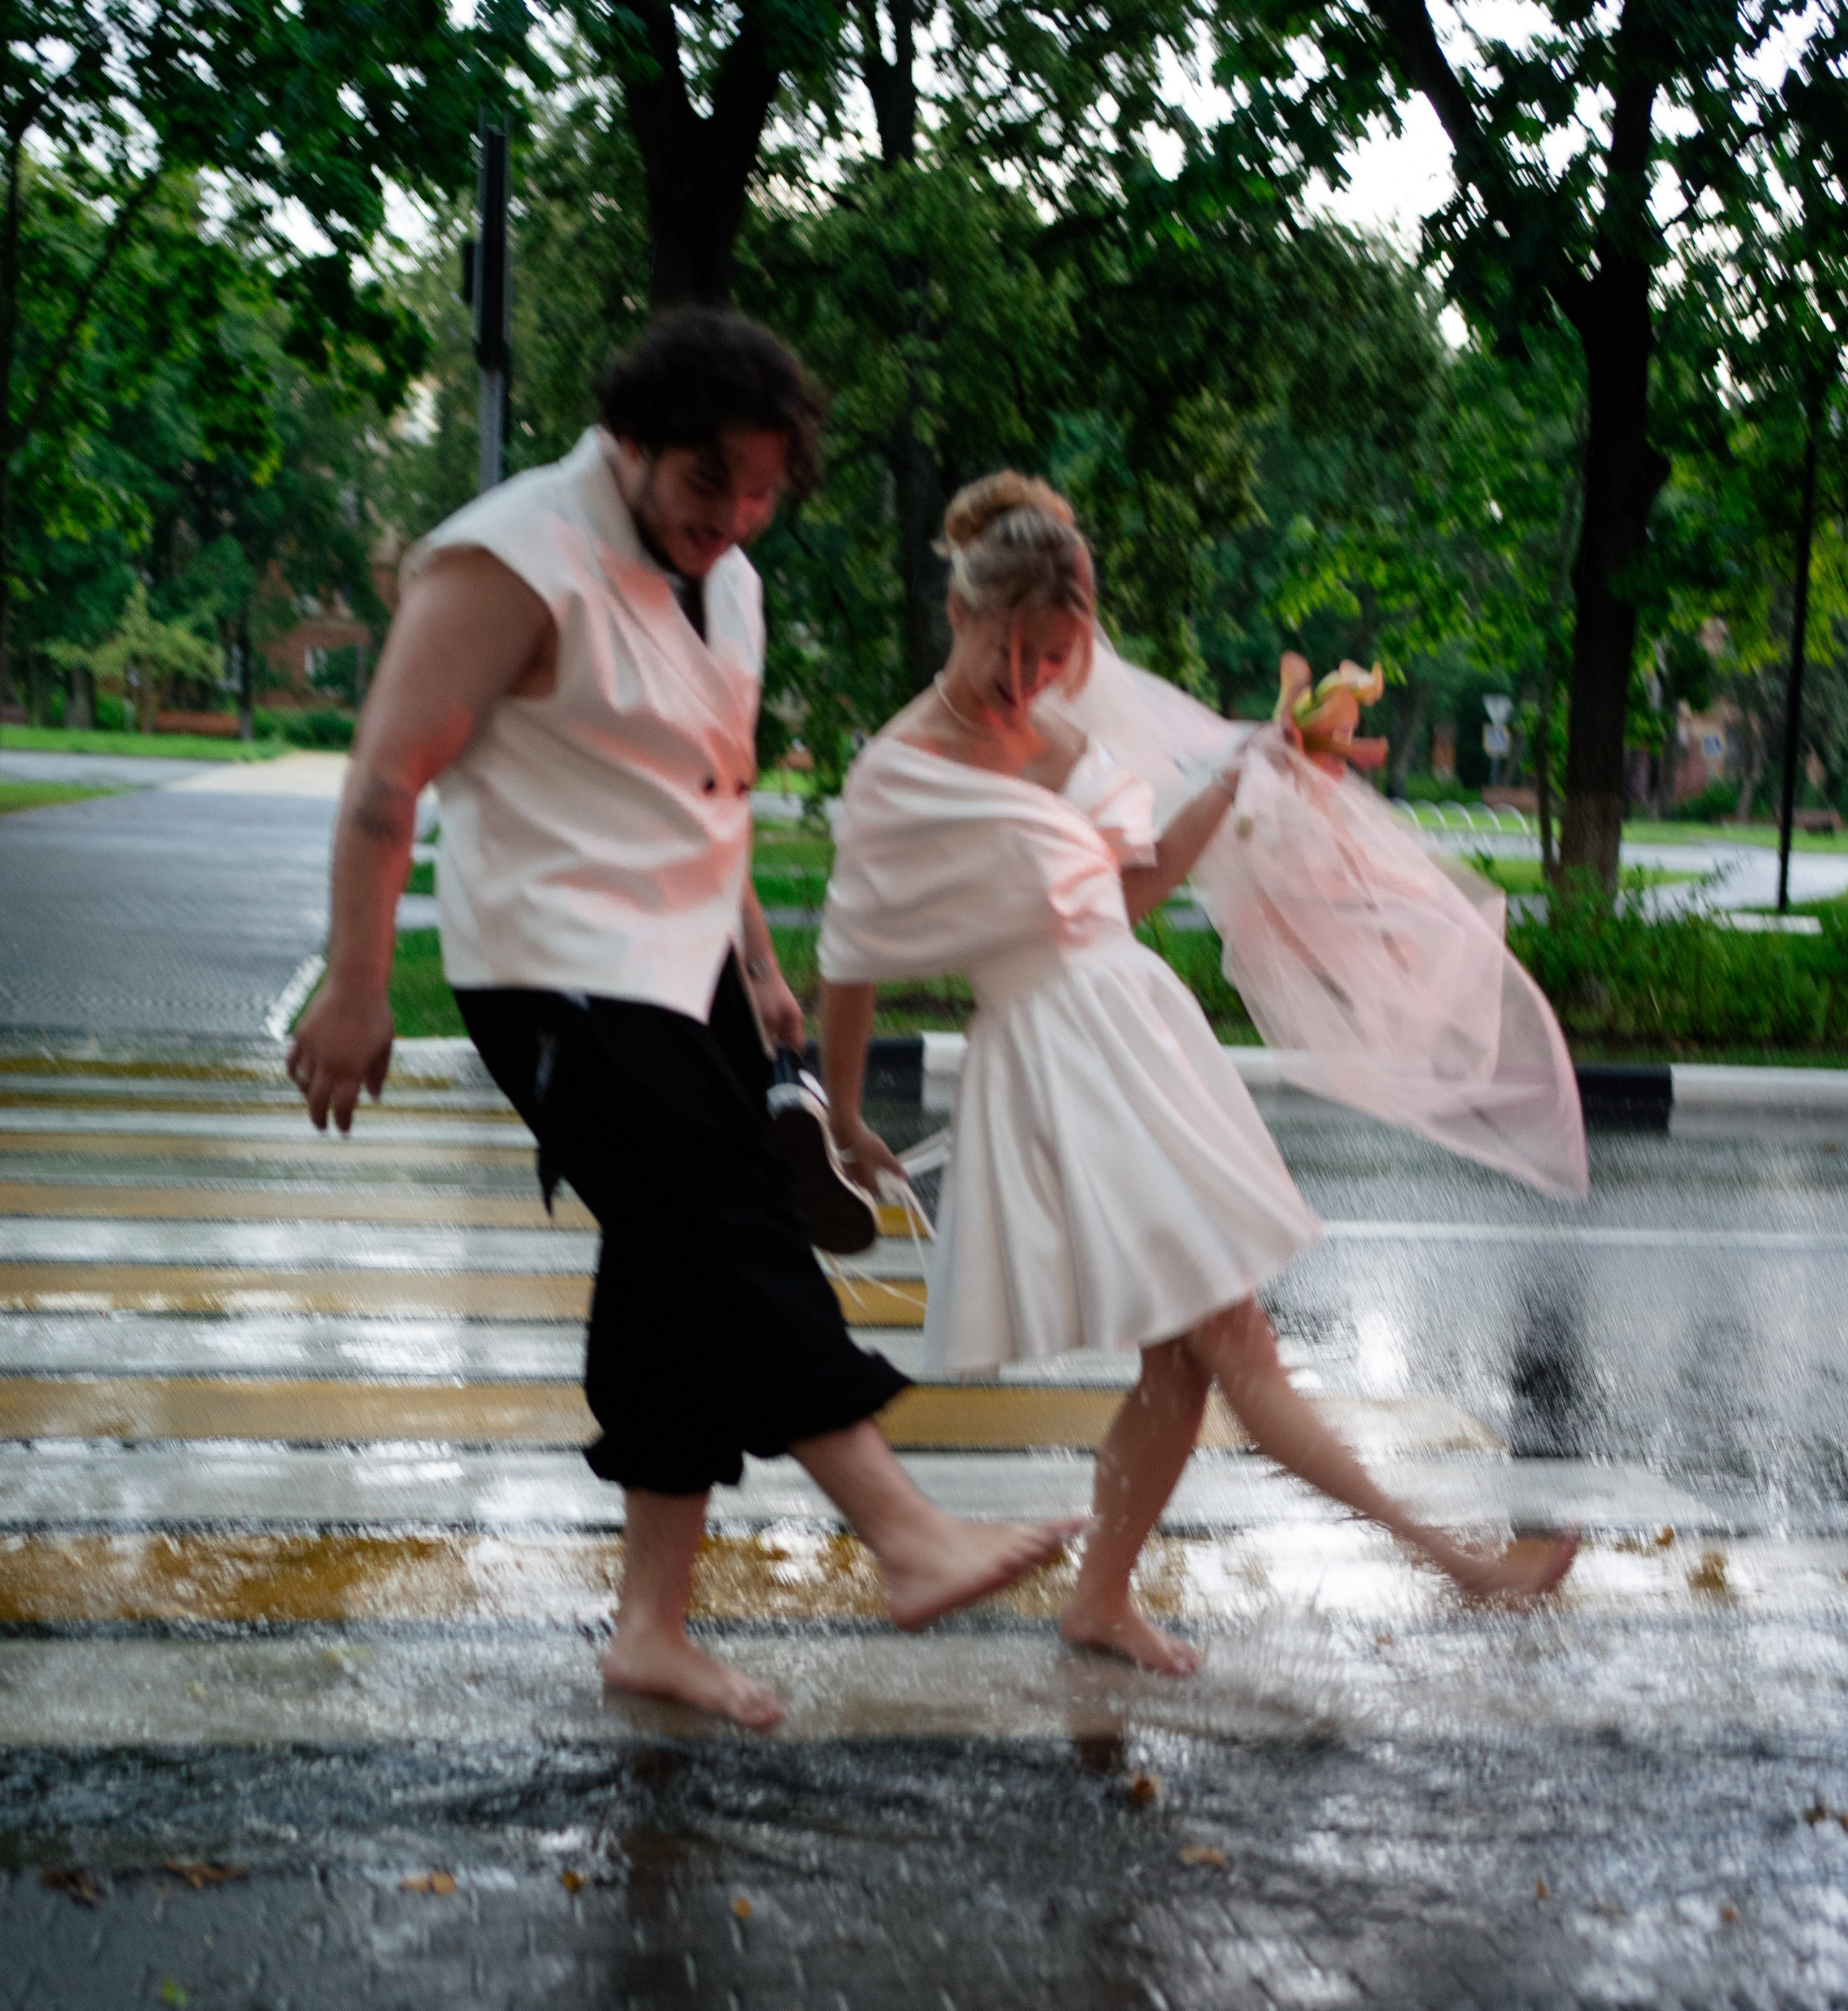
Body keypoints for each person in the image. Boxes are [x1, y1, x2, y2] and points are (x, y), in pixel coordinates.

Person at [286, 320, 1071, 1730]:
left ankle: (650, 1629)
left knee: (668, 1275)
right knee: (727, 1217)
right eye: (712, 482)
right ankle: (905, 1532)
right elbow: (386, 779)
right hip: (552, 966)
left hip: (683, 964)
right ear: (633, 439)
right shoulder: (509, 557)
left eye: (764, 490)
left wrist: (756, 961)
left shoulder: (732, 581)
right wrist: (355, 983)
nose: (737, 516)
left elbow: (702, 791)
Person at [817, 474, 1585, 1675]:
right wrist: (846, 1114)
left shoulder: (1061, 734)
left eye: (1053, 658)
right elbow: (850, 957)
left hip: (1134, 1031)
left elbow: (1121, 896)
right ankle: (1456, 1563)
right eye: (1007, 652)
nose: (1026, 680)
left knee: (1182, 1364)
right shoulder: (900, 767)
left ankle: (1100, 1600)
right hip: (1058, 1065)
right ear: (958, 612)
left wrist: (1238, 779)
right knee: (1236, 1341)